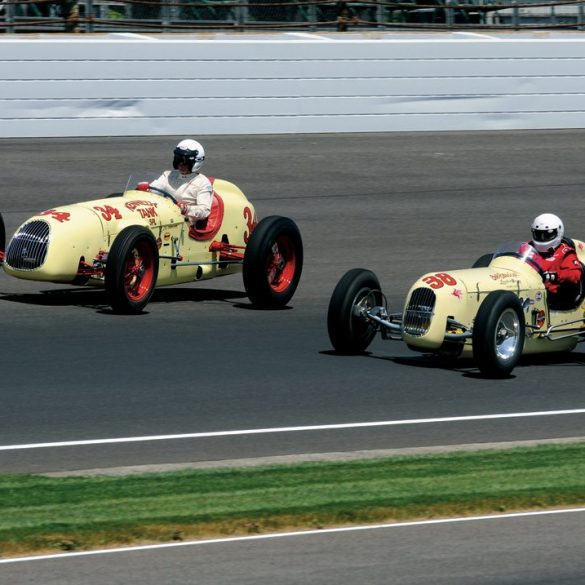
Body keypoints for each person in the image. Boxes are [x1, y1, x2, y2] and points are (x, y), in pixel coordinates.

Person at [522, 213, 584, 309]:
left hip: (550, 297)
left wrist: (553, 276)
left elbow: (575, 275)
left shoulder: (565, 252)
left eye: (547, 235)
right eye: (538, 234)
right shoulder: (526, 247)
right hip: (524, 286)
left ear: (558, 232)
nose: (542, 238)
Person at [148, 139, 213, 225]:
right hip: (164, 217)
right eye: (178, 160)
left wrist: (187, 209)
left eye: (186, 162)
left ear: (195, 162)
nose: (181, 165)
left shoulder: (202, 182)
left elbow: (205, 211)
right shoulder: (168, 175)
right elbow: (154, 189)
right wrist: (145, 189)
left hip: (185, 224)